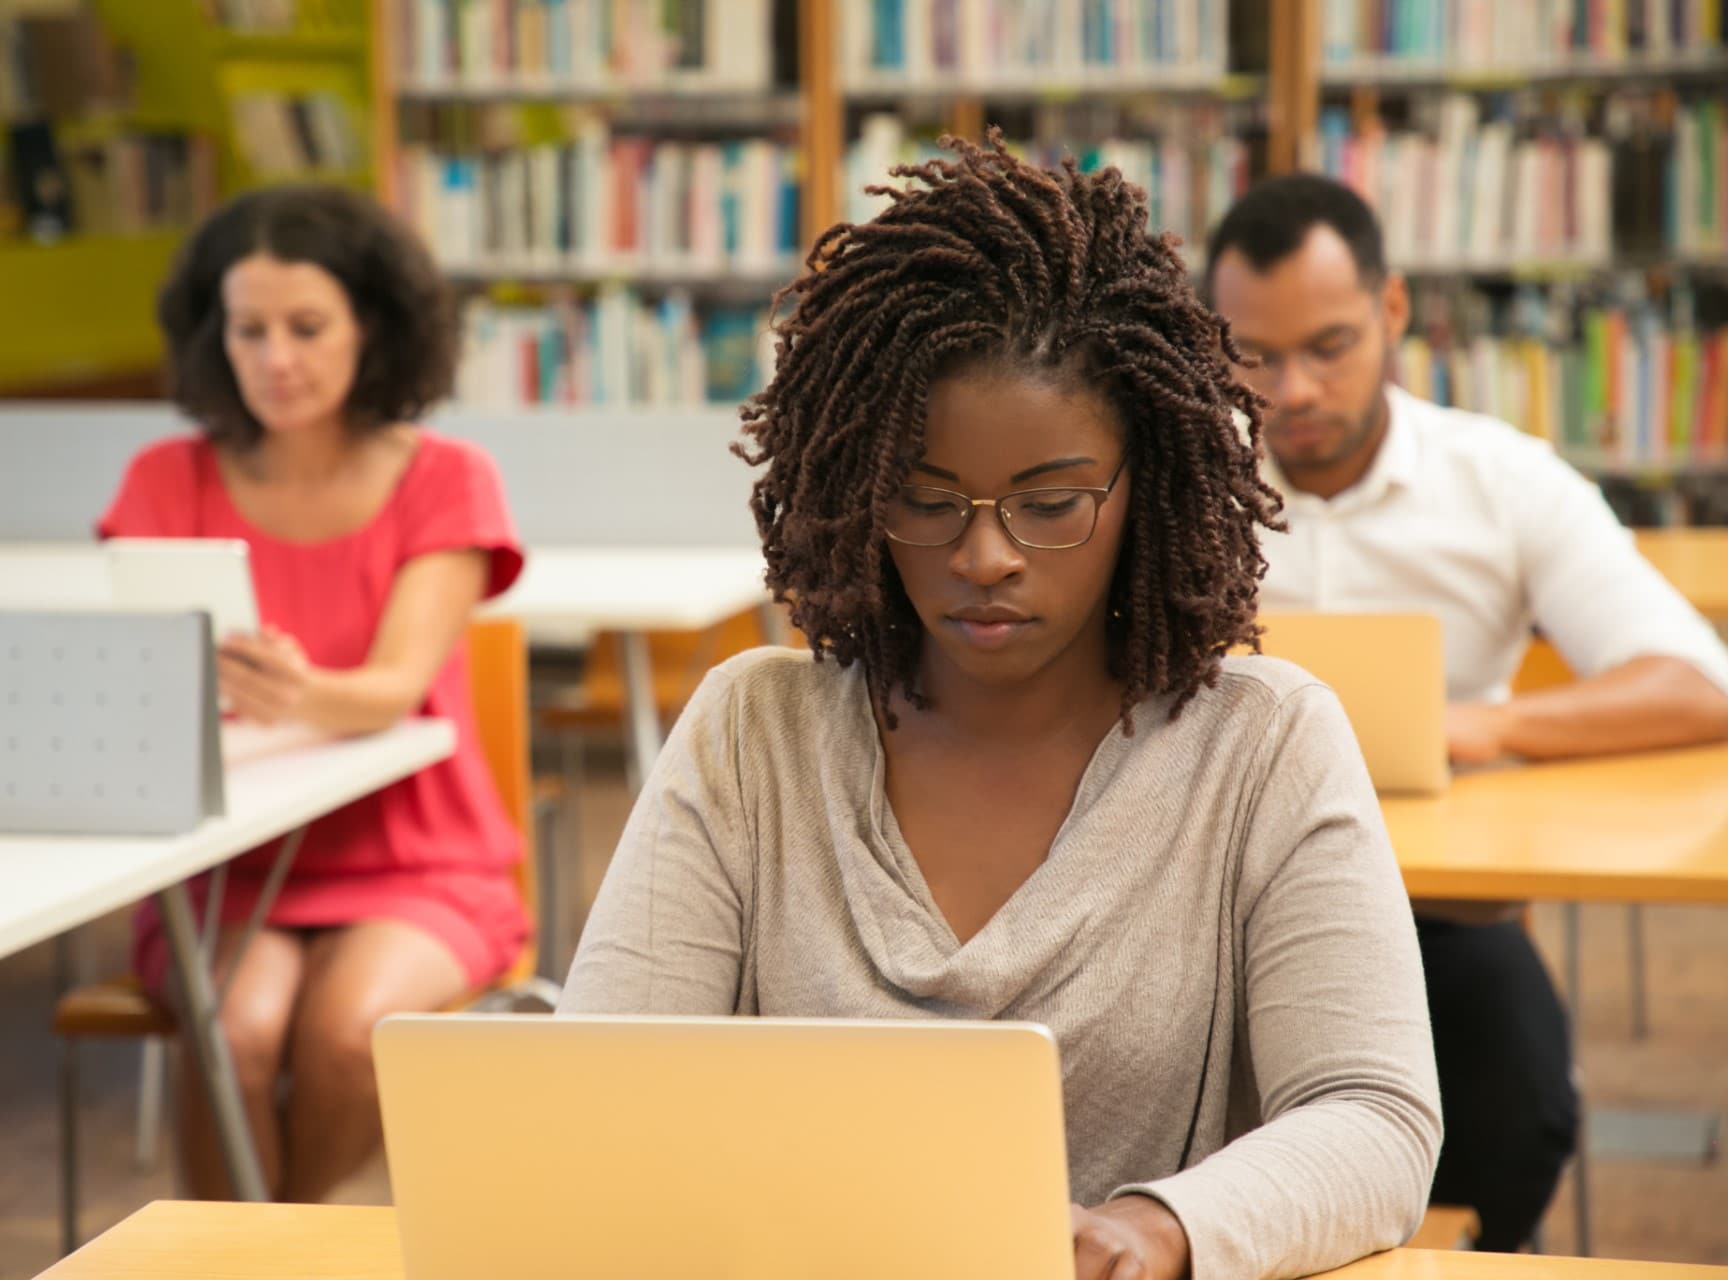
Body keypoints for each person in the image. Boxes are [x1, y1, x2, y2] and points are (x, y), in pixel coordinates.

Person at [558, 134, 1441, 1280]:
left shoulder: (1264, 744)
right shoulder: (751, 731)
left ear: (1148, 484)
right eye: (924, 500)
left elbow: (1373, 1117)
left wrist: (1160, 1226)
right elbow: (593, 1098)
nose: (984, 555)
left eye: (1052, 503)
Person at [1204, 173, 1728, 1251]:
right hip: (1204, 902)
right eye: (1253, 354)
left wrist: (1476, 726)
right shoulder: (1181, 483)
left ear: (1394, 313)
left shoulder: (1500, 481)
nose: (1292, 388)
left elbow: (1695, 682)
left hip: (1435, 912)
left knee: (1520, 1109)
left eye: (1330, 345)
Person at [97, 184, 527, 1203]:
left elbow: (393, 687)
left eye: (307, 326)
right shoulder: (165, 479)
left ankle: (279, 1246)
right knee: (232, 1031)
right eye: (248, 329)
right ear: (214, 335)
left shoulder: (447, 476)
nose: (275, 359)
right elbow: (138, 694)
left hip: (417, 851)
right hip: (222, 858)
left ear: (372, 326)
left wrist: (296, 691)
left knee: (350, 1032)